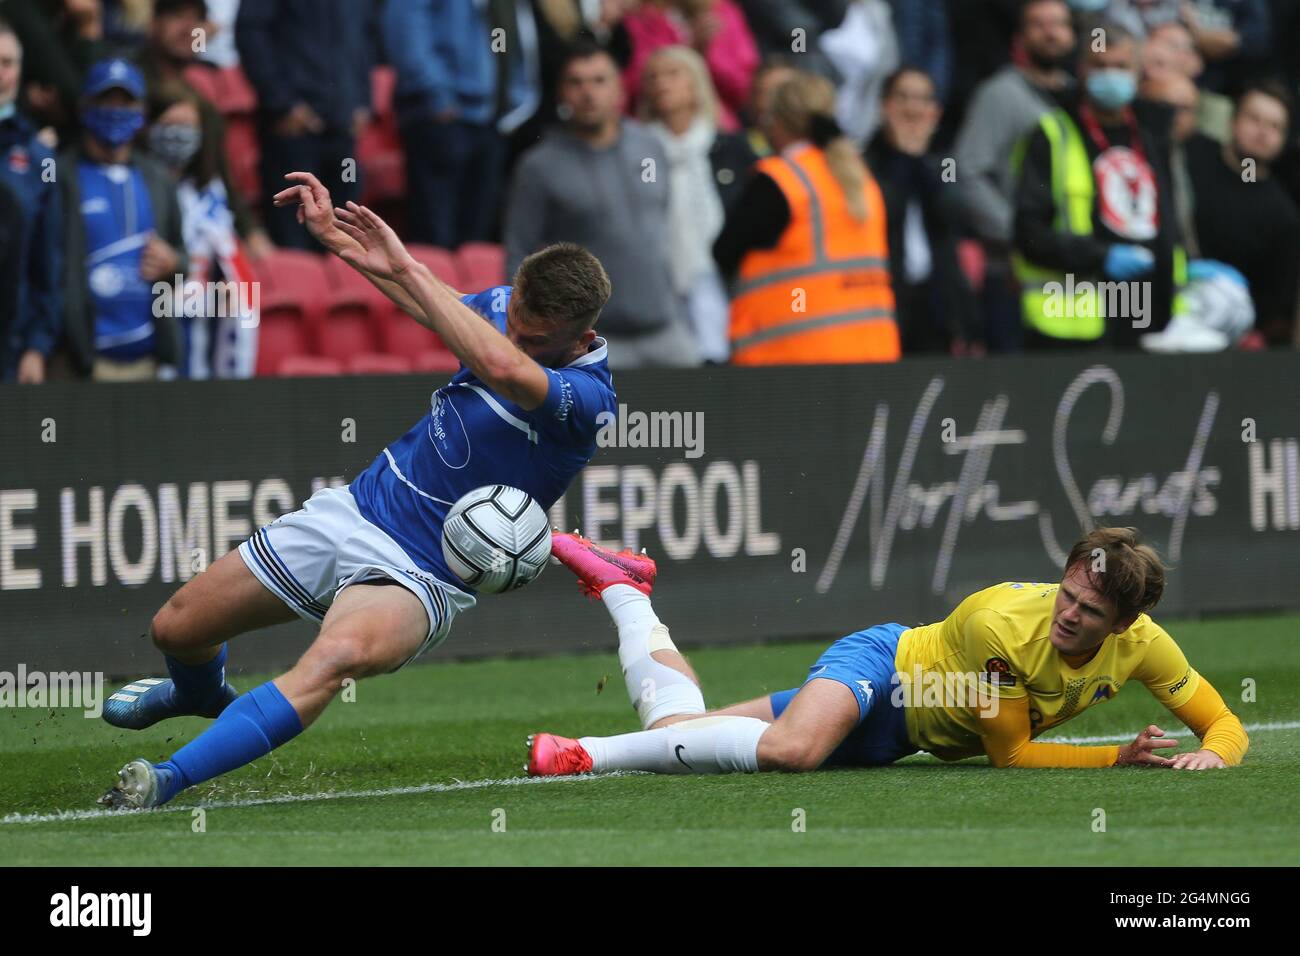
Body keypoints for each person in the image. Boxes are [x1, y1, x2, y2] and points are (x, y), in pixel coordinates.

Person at [97, 170, 620, 811]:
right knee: (176, 629)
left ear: (581, 337)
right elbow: (443, 307)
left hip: (422, 573)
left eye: (534, 337)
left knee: (331, 658)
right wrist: (343, 247)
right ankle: (196, 694)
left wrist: (409, 265)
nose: (512, 334)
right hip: (358, 507)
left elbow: (502, 364)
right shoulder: (509, 310)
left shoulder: (587, 400)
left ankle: (164, 780)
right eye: (510, 319)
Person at [528, 527, 1249, 777]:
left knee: (674, 735)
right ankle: (584, 753)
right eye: (1067, 594)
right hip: (885, 671)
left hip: (898, 736)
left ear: (1124, 625)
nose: (1068, 614)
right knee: (792, 752)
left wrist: (1215, 750)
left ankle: (627, 593)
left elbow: (1225, 724)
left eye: (1089, 612)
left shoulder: (1146, 646)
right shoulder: (1001, 625)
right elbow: (1012, 755)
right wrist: (1113, 758)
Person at [506, 40, 700, 368]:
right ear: (561, 93)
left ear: (620, 87)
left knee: (691, 420)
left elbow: (670, 232)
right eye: (576, 82)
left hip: (669, 331)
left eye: (599, 80)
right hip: (592, 343)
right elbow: (517, 254)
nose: (588, 92)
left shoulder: (651, 147)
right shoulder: (539, 166)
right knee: (615, 423)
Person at [1012, 21, 1187, 350]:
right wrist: (1100, 255)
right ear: (1081, 69)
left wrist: (1184, 272)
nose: (1110, 75)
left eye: (1120, 66)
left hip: (1150, 314)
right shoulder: (1052, 134)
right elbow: (1028, 233)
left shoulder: (1153, 136)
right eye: (1099, 66)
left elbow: (1172, 224)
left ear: (1137, 72)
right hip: (1076, 323)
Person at [714, 70, 899, 364]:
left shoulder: (780, 179)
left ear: (778, 121)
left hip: (793, 357)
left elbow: (724, 251)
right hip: (873, 351)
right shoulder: (863, 179)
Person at [953, 0, 1075, 353]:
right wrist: (1018, 232)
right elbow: (966, 170)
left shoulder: (1079, 95)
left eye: (1059, 24)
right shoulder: (1000, 94)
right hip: (1013, 273)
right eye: (1039, 24)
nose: (1050, 32)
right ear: (1020, 38)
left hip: (1075, 273)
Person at [54, 58, 188, 381]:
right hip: (79, 362)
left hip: (147, 361)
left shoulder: (157, 179)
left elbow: (183, 261)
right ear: (85, 106)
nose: (115, 110)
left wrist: (173, 263)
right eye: (106, 100)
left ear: (141, 112)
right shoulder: (59, 176)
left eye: (125, 102)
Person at [382, 0, 540, 249]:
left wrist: (514, 100)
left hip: (492, 119)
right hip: (443, 117)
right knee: (435, 236)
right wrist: (436, 97)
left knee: (475, 239)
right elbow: (406, 30)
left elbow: (513, 37)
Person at [640, 45, 756, 362]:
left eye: (673, 74)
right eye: (653, 77)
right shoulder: (635, 153)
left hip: (726, 281)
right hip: (661, 285)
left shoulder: (731, 147)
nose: (662, 83)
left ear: (696, 84)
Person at [234, 0, 373, 250]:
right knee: (293, 235)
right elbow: (251, 34)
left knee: (344, 230)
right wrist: (283, 103)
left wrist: (362, 100)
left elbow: (363, 37)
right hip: (291, 129)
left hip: (343, 128)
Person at [147, 81, 259, 377]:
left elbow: (229, 257)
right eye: (169, 124)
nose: (178, 134)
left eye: (187, 126)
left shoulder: (210, 190)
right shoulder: (141, 183)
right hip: (152, 311)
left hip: (202, 318)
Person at [866, 66, 977, 353]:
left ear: (936, 112)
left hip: (935, 304)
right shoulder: (865, 161)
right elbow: (884, 210)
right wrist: (903, 159)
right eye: (903, 97)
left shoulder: (945, 163)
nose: (913, 109)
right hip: (883, 301)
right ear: (884, 106)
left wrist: (918, 161)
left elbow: (955, 213)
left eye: (923, 99)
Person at [1185, 80, 1300, 347]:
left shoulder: (1283, 215)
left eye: (1274, 126)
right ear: (1233, 121)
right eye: (1254, 119)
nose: (1262, 132)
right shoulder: (1194, 155)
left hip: (1228, 334)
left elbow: (1275, 302)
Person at [0, 16, 62, 384]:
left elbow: (48, 264)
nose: (0, 73)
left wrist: (37, 347)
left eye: (7, 63)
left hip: (10, 347)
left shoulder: (41, 158)